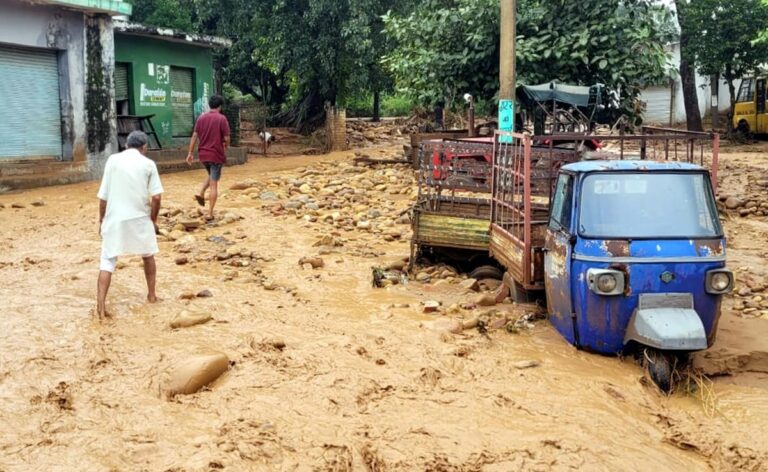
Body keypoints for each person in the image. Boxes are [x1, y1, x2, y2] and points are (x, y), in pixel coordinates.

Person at [96, 131, 163, 319]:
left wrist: (101, 221)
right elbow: (156, 197)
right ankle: (151, 296)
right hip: (140, 218)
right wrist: (153, 219)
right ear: (144, 148)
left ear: (126, 145)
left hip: (114, 219)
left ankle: (100, 307)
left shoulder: (112, 161)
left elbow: (103, 197)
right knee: (148, 255)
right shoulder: (148, 164)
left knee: (107, 261)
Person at [186, 95, 231, 221]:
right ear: (220, 106)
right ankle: (210, 213)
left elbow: (194, 136)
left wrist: (190, 153)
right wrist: (226, 145)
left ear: (210, 105)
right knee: (214, 185)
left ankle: (200, 192)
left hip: (203, 155)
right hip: (216, 155)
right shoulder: (222, 119)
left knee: (211, 175)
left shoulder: (201, 118)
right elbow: (227, 138)